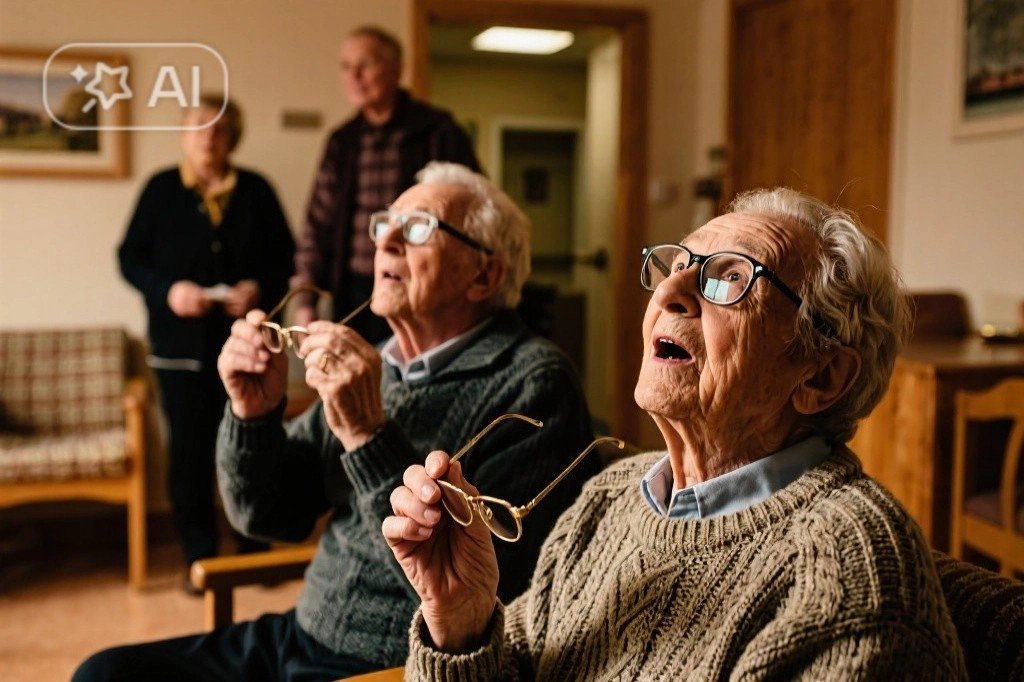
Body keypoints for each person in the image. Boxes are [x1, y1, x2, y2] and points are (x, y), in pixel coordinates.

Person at [385, 187, 969, 679]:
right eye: (675, 267)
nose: (667, 293)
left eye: (728, 280)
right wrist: (461, 623)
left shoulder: (843, 576)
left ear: (820, 374)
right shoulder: (610, 494)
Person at [74, 162, 596, 681]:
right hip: (299, 634)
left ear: (484, 274)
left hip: (387, 664)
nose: (385, 240)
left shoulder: (535, 383)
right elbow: (263, 514)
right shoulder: (378, 361)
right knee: (104, 674)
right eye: (385, 223)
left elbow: (476, 596)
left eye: (418, 228)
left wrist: (367, 433)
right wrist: (252, 414)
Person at [116, 95, 294, 583]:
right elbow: (129, 258)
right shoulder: (159, 190)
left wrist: (259, 287)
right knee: (189, 457)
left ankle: (256, 550)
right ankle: (201, 557)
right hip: (179, 353)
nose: (207, 136)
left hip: (248, 349)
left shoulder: (256, 190)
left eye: (218, 128)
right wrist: (169, 291)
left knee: (252, 445)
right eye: (197, 125)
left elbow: (285, 257)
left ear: (231, 137)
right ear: (183, 133)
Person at [292, 25, 481, 344]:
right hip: (353, 289)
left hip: (420, 286)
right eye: (346, 67)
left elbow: (472, 217)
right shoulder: (343, 141)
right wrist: (305, 301)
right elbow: (317, 223)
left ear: (395, 70)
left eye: (365, 65)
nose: (354, 76)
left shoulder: (438, 132)